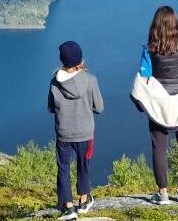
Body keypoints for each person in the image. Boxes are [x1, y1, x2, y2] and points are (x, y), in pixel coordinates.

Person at [136, 6, 178, 206]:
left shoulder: (149, 48)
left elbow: (144, 80)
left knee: (159, 148)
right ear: (175, 23)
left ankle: (163, 194)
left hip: (158, 107)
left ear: (155, 25)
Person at [48, 41, 104, 221]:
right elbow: (100, 108)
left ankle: (68, 207)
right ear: (80, 59)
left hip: (64, 133)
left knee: (63, 169)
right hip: (85, 133)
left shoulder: (55, 81)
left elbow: (51, 107)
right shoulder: (90, 80)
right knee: (83, 166)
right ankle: (84, 201)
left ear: (62, 60)